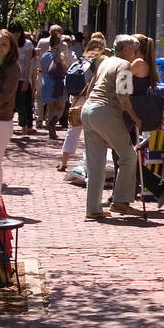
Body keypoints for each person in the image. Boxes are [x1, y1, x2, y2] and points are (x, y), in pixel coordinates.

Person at [80, 35, 144, 220]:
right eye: (134, 51)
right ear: (125, 50)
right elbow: (123, 96)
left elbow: (91, 86)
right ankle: (121, 202)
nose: (136, 54)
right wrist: (135, 118)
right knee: (128, 157)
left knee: (96, 164)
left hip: (88, 110)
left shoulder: (106, 62)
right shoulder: (124, 65)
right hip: (105, 111)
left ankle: (93, 208)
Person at [111, 33, 164, 207]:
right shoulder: (144, 64)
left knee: (123, 155)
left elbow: (121, 80)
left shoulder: (137, 63)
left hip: (130, 113)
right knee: (121, 155)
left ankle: (157, 186)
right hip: (129, 112)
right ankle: (121, 192)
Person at [58, 33, 108, 172]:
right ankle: (91, 163)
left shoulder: (81, 60)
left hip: (77, 99)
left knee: (72, 131)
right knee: (94, 133)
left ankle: (64, 162)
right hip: (91, 99)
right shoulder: (100, 61)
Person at [0, 30, 20, 194]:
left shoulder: (12, 68)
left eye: (4, 44)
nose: (0, 47)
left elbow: (6, 95)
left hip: (1, 121)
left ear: (11, 48)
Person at [39, 29, 70, 140]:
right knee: (61, 107)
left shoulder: (44, 56)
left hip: (46, 81)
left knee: (51, 108)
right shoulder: (60, 55)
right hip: (58, 82)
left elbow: (43, 70)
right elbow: (65, 69)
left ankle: (51, 131)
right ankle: (53, 122)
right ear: (58, 43)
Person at [7, 22, 35, 134]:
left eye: (18, 32)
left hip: (22, 77)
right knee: (9, 102)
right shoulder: (8, 43)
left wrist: (27, 80)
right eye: (13, 32)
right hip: (9, 78)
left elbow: (28, 63)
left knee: (21, 103)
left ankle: (24, 125)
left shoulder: (27, 44)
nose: (16, 34)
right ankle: (8, 125)